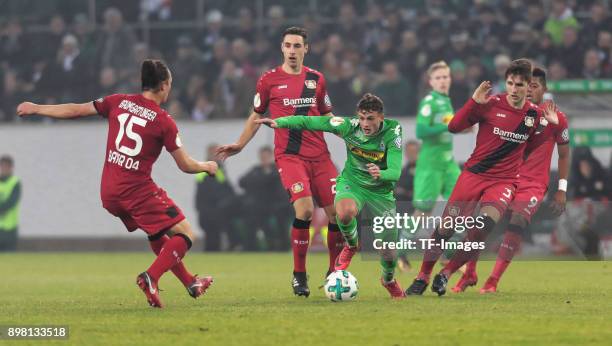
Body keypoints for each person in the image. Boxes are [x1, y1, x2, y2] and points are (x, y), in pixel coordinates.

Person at [16, 59, 217, 308]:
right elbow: (185, 165)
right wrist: (207, 166)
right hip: (136, 189)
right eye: (170, 84)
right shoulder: (163, 121)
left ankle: (190, 282)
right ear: (164, 85)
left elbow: (76, 110)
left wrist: (37, 108)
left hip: (109, 192)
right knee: (186, 233)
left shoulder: (118, 101)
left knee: (157, 233)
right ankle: (150, 278)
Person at [405, 58, 559, 296]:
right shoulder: (491, 104)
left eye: (520, 85)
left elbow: (535, 148)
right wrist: (473, 102)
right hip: (474, 175)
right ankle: (423, 275)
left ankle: (445, 273)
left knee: (483, 226)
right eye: (510, 83)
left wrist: (553, 128)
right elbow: (454, 127)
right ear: (505, 83)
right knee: (446, 228)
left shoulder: (535, 115)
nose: (514, 89)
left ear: (529, 86)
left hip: (504, 182)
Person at [216, 27, 343, 297]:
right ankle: (299, 274)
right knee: (305, 210)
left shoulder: (317, 79)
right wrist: (240, 143)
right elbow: (256, 115)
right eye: (288, 46)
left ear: (306, 49)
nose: (293, 51)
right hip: (290, 156)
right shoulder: (269, 80)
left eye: (298, 46)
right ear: (282, 48)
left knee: (339, 215)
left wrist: (356, 142)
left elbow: (330, 117)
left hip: (321, 157)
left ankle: (334, 271)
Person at [256, 93, 407, 299]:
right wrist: (280, 121)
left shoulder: (393, 130)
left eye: (370, 118)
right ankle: (352, 245)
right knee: (344, 213)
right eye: (362, 118)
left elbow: (396, 170)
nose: (365, 123)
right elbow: (311, 121)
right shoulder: (348, 125)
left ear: (381, 117)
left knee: (388, 252)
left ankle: (388, 280)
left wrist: (382, 173)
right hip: (352, 184)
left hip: (380, 190)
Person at [452, 67, 571, 293]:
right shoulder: (513, 112)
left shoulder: (556, 118)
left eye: (533, 86)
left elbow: (564, 154)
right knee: (481, 224)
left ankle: (493, 280)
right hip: (503, 178)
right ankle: (470, 272)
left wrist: (562, 189)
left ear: (543, 90)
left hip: (533, 183)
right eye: (525, 86)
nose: (527, 91)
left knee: (517, 221)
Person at [400, 61, 462, 271]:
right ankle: (400, 252)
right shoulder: (429, 102)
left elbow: (446, 129)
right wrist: (448, 125)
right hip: (430, 164)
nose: (443, 81)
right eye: (438, 78)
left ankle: (449, 253)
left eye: (446, 77)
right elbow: (421, 131)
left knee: (462, 206)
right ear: (431, 81)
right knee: (422, 212)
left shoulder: (446, 101)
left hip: (448, 162)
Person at [239, 146, 291, 251]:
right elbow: (242, 181)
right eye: (262, 157)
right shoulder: (256, 170)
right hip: (261, 206)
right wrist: (261, 180)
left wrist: (260, 181)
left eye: (266, 157)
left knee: (280, 220)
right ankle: (251, 247)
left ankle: (283, 247)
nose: (264, 159)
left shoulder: (278, 170)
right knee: (252, 219)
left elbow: (279, 187)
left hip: (279, 205)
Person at [195, 144, 240, 251]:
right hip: (208, 210)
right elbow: (209, 192)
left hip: (216, 209)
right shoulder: (206, 170)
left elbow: (227, 188)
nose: (217, 156)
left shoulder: (220, 170)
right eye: (214, 153)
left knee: (215, 237)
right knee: (212, 238)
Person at [0, 155, 21, 251]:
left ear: (11, 168)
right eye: (2, 166)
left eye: (7, 167)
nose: (4, 169)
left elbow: (12, 201)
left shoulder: (15, 183)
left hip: (9, 229)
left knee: (9, 258)